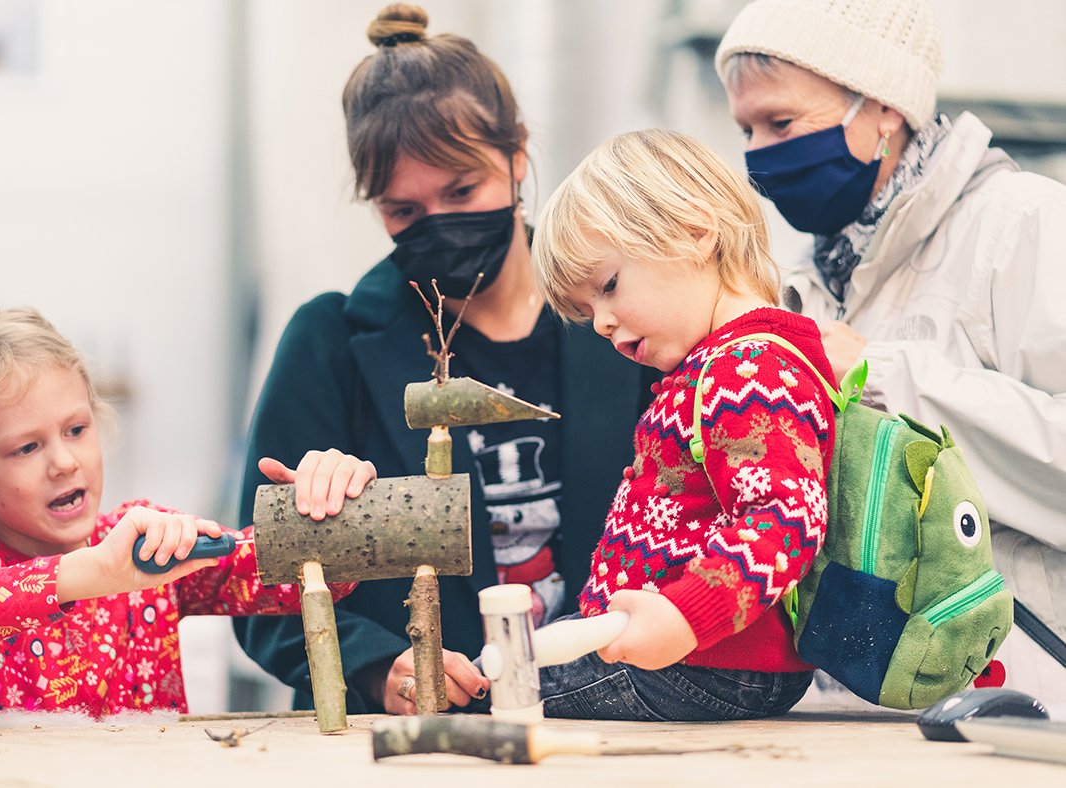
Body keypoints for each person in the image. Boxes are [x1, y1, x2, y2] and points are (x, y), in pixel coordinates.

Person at [233, 3, 660, 716]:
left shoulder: (626, 322)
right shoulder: (330, 345)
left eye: (462, 191)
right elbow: (257, 586)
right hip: (424, 745)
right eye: (403, 212)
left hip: (621, 728)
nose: (440, 225)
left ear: (518, 154)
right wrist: (375, 669)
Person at [716, 0, 1066, 707]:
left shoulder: (1021, 223)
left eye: (780, 123)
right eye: (745, 129)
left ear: (882, 109)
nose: (757, 154)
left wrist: (885, 376)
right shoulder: (801, 284)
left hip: (1017, 702)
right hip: (849, 713)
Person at [0, 306, 374, 716]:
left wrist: (328, 511)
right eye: (27, 447)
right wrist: (89, 572)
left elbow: (288, 579)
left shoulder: (144, 538)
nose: (64, 462)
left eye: (76, 429)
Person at [528, 128, 835, 721]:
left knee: (503, 688)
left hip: (707, 660)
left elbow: (787, 516)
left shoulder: (747, 367)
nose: (602, 325)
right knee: (519, 662)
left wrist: (687, 616)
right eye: (587, 312)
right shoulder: (723, 363)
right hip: (698, 654)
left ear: (696, 233)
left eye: (609, 286)